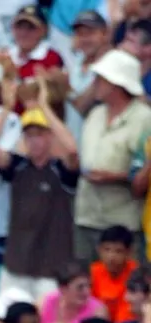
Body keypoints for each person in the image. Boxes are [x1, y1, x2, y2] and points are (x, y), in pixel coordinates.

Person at [0, 102, 80, 303]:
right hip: (16, 265)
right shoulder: (18, 166)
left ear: (50, 136)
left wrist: (45, 106)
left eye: (40, 134)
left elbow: (72, 150)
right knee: (5, 317)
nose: (34, 141)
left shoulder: (61, 171)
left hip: (51, 268)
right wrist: (6, 107)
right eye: (29, 135)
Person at [75, 48, 151, 261]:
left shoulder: (144, 119)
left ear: (117, 83)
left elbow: (145, 173)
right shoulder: (95, 114)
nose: (95, 83)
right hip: (87, 216)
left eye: (101, 78)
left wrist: (116, 177)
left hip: (123, 223)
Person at [39, 259, 106, 323]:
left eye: (89, 286)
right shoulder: (45, 302)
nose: (87, 292)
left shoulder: (98, 312)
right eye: (80, 287)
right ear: (63, 289)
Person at [89, 223, 138, 323]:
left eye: (118, 251)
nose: (111, 257)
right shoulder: (92, 272)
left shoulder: (136, 274)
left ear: (129, 253)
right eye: (106, 250)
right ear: (99, 250)